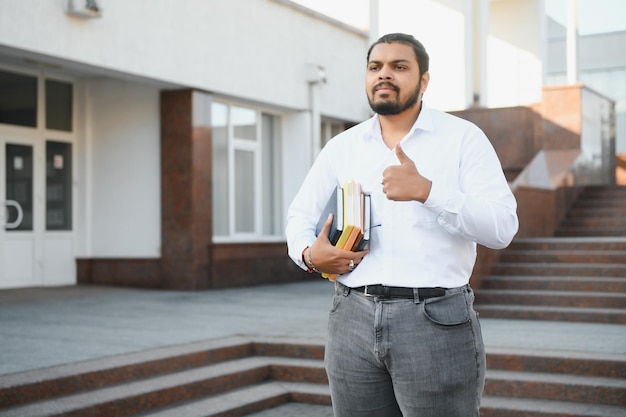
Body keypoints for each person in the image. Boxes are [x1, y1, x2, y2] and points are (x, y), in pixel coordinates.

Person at [286, 33, 518, 417]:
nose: (384, 75)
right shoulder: (343, 146)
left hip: (434, 320)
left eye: (399, 66)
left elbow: (502, 227)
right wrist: (310, 255)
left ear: (424, 80)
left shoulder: (462, 139)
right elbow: (299, 216)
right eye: (375, 67)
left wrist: (428, 191)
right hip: (351, 318)